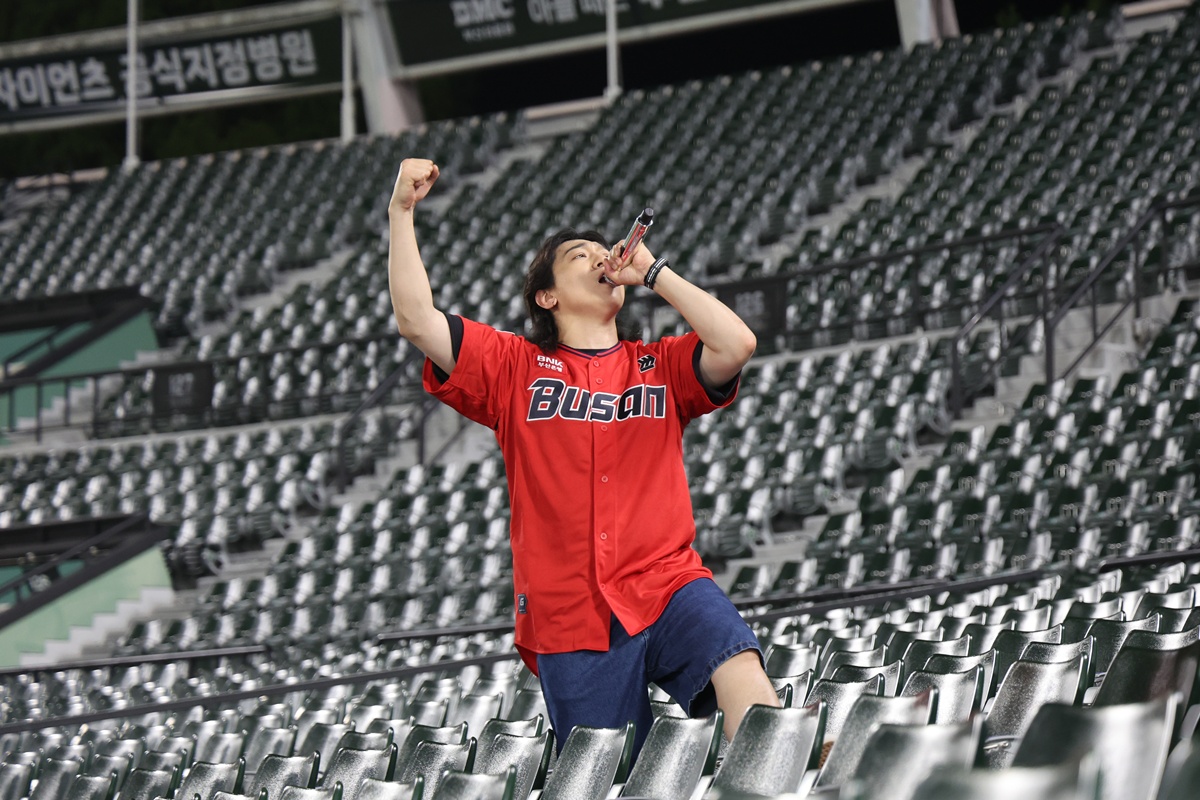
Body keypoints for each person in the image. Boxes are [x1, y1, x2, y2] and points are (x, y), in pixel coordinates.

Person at [388, 157, 780, 758]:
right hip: (569, 611)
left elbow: (737, 342)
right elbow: (417, 320)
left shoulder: (659, 364)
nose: (602, 258)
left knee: (738, 665)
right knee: (610, 773)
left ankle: (774, 770)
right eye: (580, 255)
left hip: (666, 581)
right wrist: (401, 211)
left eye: (605, 252)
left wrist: (654, 273)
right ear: (546, 295)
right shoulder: (513, 366)